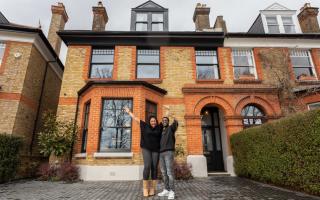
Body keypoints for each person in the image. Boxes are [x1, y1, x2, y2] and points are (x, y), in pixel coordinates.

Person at [124, 107, 162, 197]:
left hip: (156, 149)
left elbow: (166, 122)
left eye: (154, 121)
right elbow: (136, 119)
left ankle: (152, 188)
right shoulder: (145, 125)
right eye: (152, 121)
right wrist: (129, 112)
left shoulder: (159, 127)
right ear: (149, 121)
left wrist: (169, 112)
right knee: (147, 166)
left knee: (154, 167)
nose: (153, 122)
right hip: (146, 148)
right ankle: (145, 188)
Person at [158, 106, 178, 200]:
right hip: (160, 153)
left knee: (170, 172)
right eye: (163, 120)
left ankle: (172, 191)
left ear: (168, 121)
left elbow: (176, 121)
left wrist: (170, 113)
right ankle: (166, 189)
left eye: (166, 120)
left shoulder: (171, 128)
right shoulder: (160, 131)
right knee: (163, 172)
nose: (164, 121)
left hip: (169, 152)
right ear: (162, 122)